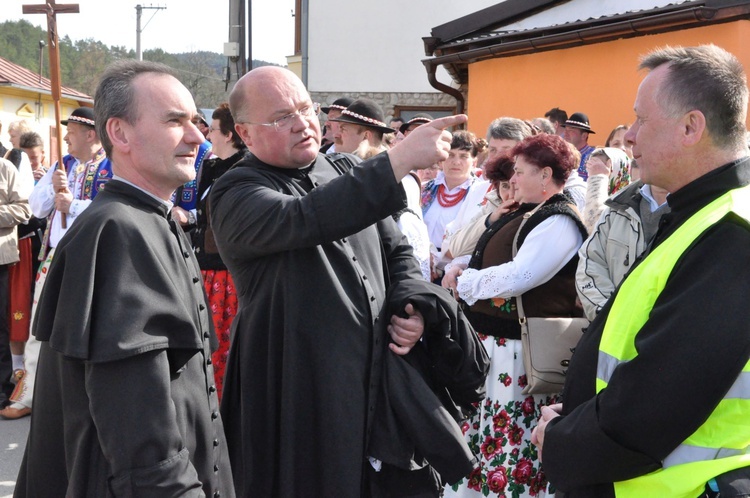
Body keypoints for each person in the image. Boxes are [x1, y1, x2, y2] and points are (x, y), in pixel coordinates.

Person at [211, 65, 486, 497]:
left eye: (306, 108)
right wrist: (396, 161)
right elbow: (304, 218)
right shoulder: (235, 193)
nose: (303, 123)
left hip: (378, 383)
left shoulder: (340, 170)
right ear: (245, 134)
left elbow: (397, 253)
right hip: (299, 388)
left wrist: (410, 310)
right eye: (283, 117)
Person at [533, 44, 750, 498]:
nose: (628, 137)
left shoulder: (734, 233)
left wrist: (562, 441)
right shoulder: (703, 214)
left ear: (692, 126)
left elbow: (655, 403)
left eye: (641, 120)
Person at [15, 59, 234, 497]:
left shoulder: (149, 217)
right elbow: (137, 420)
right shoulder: (117, 233)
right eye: (175, 121)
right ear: (120, 133)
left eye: (195, 122)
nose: (196, 136)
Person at [444, 133, 587, 498]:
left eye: (521, 172)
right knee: (480, 439)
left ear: (545, 175)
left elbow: (521, 275)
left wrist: (468, 281)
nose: (513, 180)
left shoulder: (561, 220)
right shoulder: (527, 212)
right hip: (493, 349)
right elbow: (491, 255)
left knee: (508, 445)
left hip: (518, 355)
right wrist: (461, 266)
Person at [0, 107, 114, 420]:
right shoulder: (62, 165)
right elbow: (36, 208)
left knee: (87, 327)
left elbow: (116, 210)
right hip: (55, 256)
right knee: (40, 324)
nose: (65, 137)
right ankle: (30, 394)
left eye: (71, 132)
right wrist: (53, 189)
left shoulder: (111, 165)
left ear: (90, 134)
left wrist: (73, 204)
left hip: (94, 257)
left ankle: (85, 398)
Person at [192, 102, 245, 398]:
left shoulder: (243, 169)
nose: (207, 135)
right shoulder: (212, 167)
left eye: (212, 129)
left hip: (227, 273)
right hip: (207, 267)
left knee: (223, 347)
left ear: (228, 134)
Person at [576, 179, 669, 321]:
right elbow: (590, 261)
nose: (638, 155)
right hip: (610, 331)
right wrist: (609, 315)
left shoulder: (698, 210)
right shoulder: (617, 207)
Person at [422, 130, 490, 280]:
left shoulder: (482, 194)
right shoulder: (424, 189)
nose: (456, 162)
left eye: (464, 156)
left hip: (458, 270)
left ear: (474, 162)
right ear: (441, 159)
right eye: (451, 155)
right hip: (423, 264)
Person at [0, 157, 31, 412]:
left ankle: (2, 390)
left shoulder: (5, 168)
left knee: (0, 328)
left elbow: (23, 210)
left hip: (0, 258)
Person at [581, 147, 631, 232]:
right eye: (591, 167)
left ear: (617, 170)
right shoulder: (584, 193)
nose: (592, 174)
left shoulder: (629, 205)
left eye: (599, 168)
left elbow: (596, 225)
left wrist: (598, 178)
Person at [562, 112, 596, 181]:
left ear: (584, 136)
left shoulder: (594, 156)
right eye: (565, 130)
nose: (565, 133)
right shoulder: (562, 155)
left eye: (571, 130)